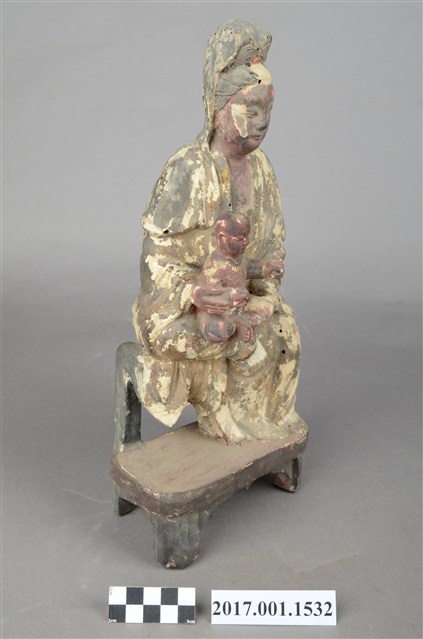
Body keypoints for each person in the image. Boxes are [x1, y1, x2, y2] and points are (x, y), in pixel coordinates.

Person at [132, 19, 303, 442]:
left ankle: (265, 425)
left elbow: (273, 247)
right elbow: (155, 260)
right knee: (219, 334)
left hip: (242, 297)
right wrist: (193, 292)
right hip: (187, 307)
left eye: (268, 108)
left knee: (282, 328)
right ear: (217, 107)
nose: (262, 121)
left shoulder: (262, 170)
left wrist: (264, 290)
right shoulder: (188, 168)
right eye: (250, 108)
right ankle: (222, 420)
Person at [195, 212, 284, 350]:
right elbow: (211, 295)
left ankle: (246, 320)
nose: (246, 242)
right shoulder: (214, 266)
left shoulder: (239, 258)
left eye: (247, 237)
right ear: (222, 239)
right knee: (219, 329)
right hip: (216, 312)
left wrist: (269, 268)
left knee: (267, 306)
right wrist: (231, 296)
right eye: (240, 238)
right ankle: (236, 326)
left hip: (239, 307)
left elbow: (250, 268)